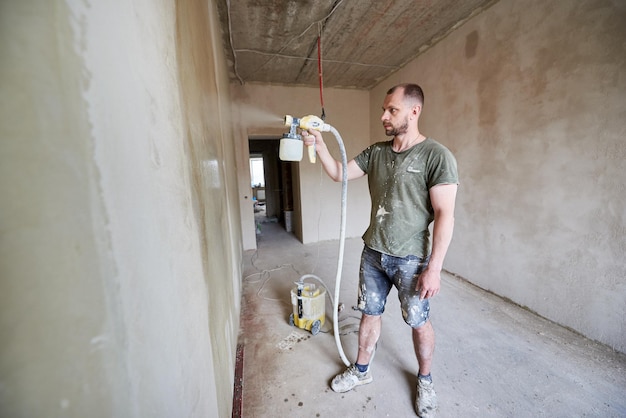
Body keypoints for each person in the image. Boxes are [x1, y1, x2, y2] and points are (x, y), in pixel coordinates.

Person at [303, 83, 458, 417]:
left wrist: (435, 268)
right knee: (369, 314)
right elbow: (340, 174)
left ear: (414, 111)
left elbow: (446, 216)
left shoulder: (436, 156)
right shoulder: (376, 153)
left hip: (412, 260)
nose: (383, 116)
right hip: (373, 252)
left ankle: (426, 380)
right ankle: (361, 370)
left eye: (392, 110)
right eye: (384, 110)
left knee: (418, 322)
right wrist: (320, 143)